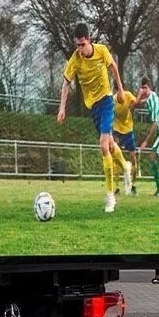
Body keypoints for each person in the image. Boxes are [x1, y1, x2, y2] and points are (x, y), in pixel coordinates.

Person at [57, 23, 132, 213]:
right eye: (77, 45)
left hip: (107, 101)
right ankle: (126, 167)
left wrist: (120, 90)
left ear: (89, 40)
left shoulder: (101, 51)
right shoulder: (75, 60)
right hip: (93, 108)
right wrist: (62, 108)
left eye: (82, 45)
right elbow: (66, 84)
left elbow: (114, 68)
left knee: (103, 144)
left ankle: (110, 196)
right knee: (111, 145)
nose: (80, 49)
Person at [111, 87, 140, 196]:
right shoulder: (113, 101)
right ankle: (117, 187)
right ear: (116, 91)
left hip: (128, 130)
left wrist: (140, 96)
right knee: (115, 158)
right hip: (117, 130)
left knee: (133, 158)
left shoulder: (128, 95)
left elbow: (135, 103)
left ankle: (133, 185)